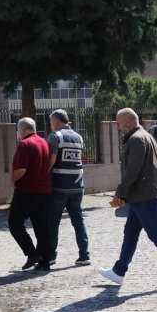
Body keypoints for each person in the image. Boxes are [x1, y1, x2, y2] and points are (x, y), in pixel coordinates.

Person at [98, 108, 157, 288]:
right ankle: (119, 271)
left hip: (144, 195)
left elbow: (133, 170)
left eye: (118, 123)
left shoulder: (137, 139)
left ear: (128, 122)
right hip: (142, 194)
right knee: (130, 232)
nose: (117, 126)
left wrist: (120, 192)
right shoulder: (144, 136)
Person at [46, 109, 91, 266]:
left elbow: (50, 162)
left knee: (53, 221)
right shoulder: (78, 137)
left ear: (57, 122)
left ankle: (51, 256)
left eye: (51, 123)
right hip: (77, 186)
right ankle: (84, 255)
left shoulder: (55, 137)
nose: (51, 126)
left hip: (59, 186)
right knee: (78, 221)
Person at [8, 117, 53, 271]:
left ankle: (32, 253)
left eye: (18, 130)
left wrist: (12, 180)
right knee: (42, 227)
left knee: (14, 223)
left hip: (27, 191)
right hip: (45, 191)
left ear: (23, 129)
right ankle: (45, 261)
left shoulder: (25, 144)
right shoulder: (44, 142)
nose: (18, 134)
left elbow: (21, 169)